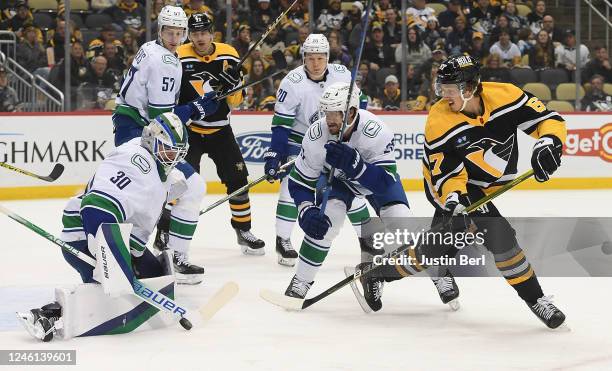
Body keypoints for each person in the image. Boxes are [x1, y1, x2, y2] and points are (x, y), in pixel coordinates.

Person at [362, 55, 568, 329]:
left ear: (469, 88)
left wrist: (548, 142)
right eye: (442, 88)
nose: (443, 96)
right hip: (451, 186)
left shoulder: (507, 96)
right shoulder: (439, 120)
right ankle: (537, 299)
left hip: (486, 185)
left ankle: (377, 274)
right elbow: (447, 173)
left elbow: (549, 119)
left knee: (435, 250)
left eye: (449, 90)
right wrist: (454, 202)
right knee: (500, 238)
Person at [17, 113, 189, 342]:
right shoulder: (134, 161)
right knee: (110, 291)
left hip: (119, 234)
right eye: (168, 150)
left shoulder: (160, 170)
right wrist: (112, 258)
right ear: (150, 139)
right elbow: (96, 206)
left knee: (154, 277)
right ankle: (46, 316)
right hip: (85, 233)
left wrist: (134, 258)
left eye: (177, 152)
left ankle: (118, 282)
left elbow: (141, 217)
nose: (172, 157)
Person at [282, 82, 451, 309]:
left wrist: (357, 166)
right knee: (325, 223)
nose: (329, 119)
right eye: (326, 112)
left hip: (375, 183)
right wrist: (305, 208)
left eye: (335, 113)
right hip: (338, 183)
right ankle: (301, 280)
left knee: (404, 224)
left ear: (351, 112)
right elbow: (299, 181)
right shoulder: (316, 135)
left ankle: (440, 274)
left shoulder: (377, 131)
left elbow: (384, 182)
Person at [112, 5, 219, 284]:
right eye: (169, 32)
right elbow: (163, 122)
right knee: (190, 186)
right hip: (142, 132)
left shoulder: (151, 48)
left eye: (179, 33)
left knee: (161, 189)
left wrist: (199, 102)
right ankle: (167, 256)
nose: (174, 38)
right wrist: (197, 108)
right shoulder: (167, 62)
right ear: (160, 30)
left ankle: (134, 250)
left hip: (131, 126)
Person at [264, 34, 373, 267]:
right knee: (290, 186)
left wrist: (351, 134)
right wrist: (276, 153)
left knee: (349, 188)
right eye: (310, 58)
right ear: (303, 58)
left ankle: (367, 239)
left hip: (336, 136)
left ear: (327, 57)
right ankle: (282, 239)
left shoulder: (342, 75)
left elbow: (359, 106)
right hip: (300, 138)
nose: (315, 63)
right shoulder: (291, 82)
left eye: (320, 58)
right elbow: (282, 126)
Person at [171, 12, 265, 256]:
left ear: (212, 33)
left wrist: (232, 83)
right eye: (194, 33)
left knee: (238, 181)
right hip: (189, 132)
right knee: (180, 185)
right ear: (188, 35)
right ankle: (166, 230)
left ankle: (243, 230)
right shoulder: (178, 56)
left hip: (221, 130)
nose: (199, 38)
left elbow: (236, 100)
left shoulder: (228, 53)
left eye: (204, 32)